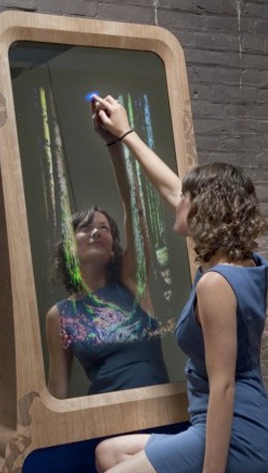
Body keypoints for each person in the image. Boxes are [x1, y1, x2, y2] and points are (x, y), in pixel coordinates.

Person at [76, 94, 268, 473]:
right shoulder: (244, 263)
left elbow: (223, 387)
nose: (177, 201)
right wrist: (123, 135)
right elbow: (171, 187)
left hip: (240, 439)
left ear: (204, 211)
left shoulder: (216, 285)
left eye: (186, 199)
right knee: (108, 453)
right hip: (239, 430)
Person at [45, 103, 169, 399]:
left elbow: (133, 209)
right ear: (68, 248)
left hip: (161, 414)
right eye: (85, 227)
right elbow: (58, 390)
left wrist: (114, 145)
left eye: (104, 228)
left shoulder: (131, 284)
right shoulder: (60, 315)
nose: (96, 231)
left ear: (114, 247)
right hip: (105, 417)